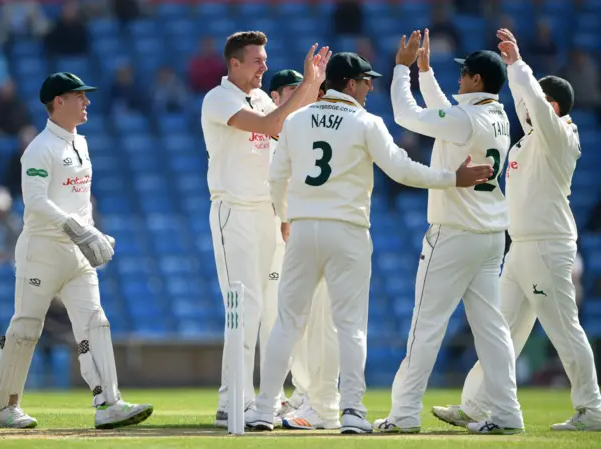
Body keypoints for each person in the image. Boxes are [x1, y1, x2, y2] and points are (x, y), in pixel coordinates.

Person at [244, 51, 494, 434]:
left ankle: (263, 411)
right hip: (347, 230)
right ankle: (352, 413)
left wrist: (284, 215)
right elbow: (401, 170)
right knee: (350, 326)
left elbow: (276, 179)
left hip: (304, 225)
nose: (370, 87)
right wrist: (451, 179)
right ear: (348, 82)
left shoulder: (294, 120)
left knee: (286, 324)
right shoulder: (365, 122)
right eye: (365, 80)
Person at [432, 28, 601, 432]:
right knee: (499, 330)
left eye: (534, 101)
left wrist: (517, 64)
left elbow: (538, 108)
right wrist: (515, 74)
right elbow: (530, 105)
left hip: (547, 247)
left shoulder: (560, 137)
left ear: (552, 105)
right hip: (519, 248)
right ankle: (474, 405)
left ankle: (592, 409)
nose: (523, 106)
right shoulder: (524, 145)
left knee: (564, 329)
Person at [373, 29, 524, 435]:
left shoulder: (466, 118)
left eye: (463, 75)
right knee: (492, 331)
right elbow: (448, 119)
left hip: (455, 234)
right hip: (491, 235)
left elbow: (409, 116)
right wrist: (426, 73)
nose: (458, 80)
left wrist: (402, 69)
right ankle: (508, 414)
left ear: (476, 80)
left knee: (426, 325)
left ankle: (404, 414)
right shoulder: (497, 116)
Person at [0, 72, 153, 429]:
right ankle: (6, 406)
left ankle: (108, 403)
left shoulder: (80, 142)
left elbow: (80, 202)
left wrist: (93, 232)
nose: (87, 102)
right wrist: (79, 230)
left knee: (95, 322)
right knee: (26, 327)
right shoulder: (39, 148)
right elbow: (34, 203)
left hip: (77, 253)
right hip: (42, 250)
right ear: (58, 102)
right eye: (79, 96)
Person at [200, 31, 330, 427]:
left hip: (268, 214)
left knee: (272, 311)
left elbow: (287, 123)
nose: (264, 66)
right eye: (257, 60)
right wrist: (308, 83)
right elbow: (274, 121)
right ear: (234, 63)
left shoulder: (259, 96)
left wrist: (316, 85)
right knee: (245, 308)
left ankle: (261, 400)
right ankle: (232, 401)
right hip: (234, 212)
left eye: (266, 58)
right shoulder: (219, 98)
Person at [261, 70, 341, 430]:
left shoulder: (308, 130)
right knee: (281, 321)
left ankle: (312, 396)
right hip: (275, 237)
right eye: (292, 91)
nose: (300, 96)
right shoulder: (272, 135)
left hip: (302, 234)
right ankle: (292, 394)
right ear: (275, 97)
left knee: (309, 319)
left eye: (303, 89)